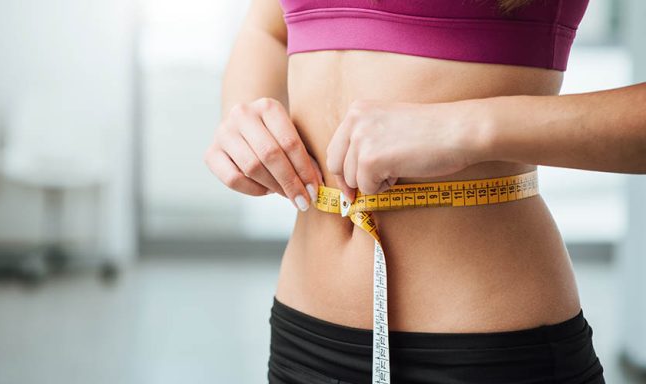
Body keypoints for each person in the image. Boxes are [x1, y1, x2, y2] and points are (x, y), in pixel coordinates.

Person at [203, 0, 645, 382]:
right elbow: (269, 28)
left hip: (482, 352)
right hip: (302, 338)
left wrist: (463, 128)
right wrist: (245, 117)